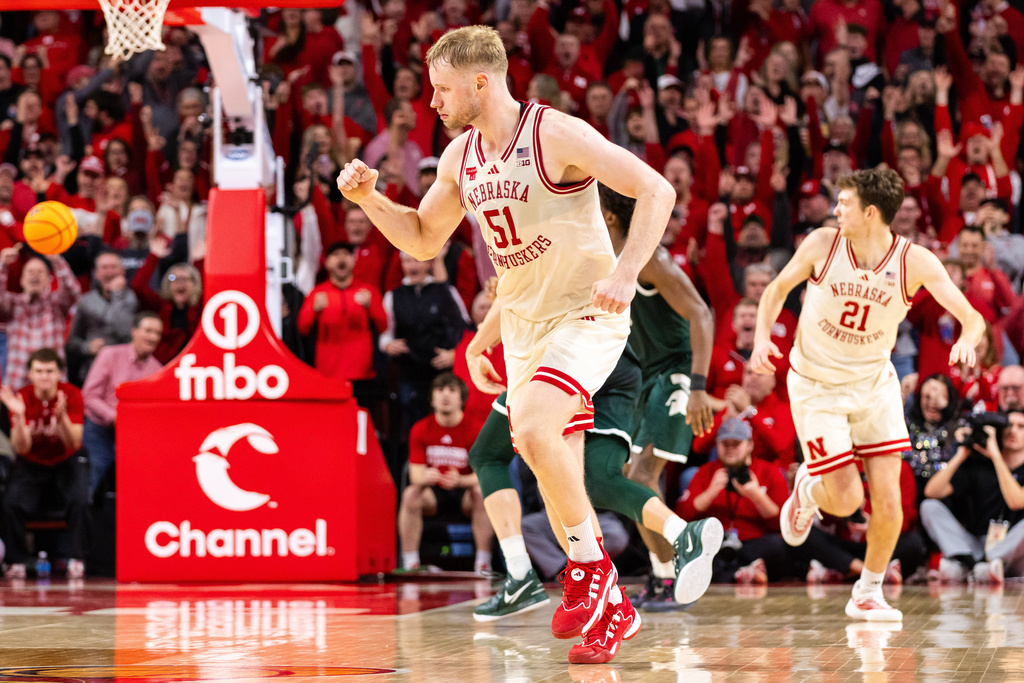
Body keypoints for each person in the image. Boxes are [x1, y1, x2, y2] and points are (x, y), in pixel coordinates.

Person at [337, 25, 675, 656]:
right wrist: (369, 199)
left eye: (441, 89)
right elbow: (420, 238)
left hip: (586, 312)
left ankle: (592, 574)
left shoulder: (554, 133)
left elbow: (657, 189)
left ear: (480, 83)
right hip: (522, 324)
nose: (432, 102)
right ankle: (615, 607)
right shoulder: (461, 158)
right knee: (543, 453)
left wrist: (627, 272)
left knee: (540, 428)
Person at [751, 167, 985, 621]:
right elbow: (778, 288)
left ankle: (868, 592)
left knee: (890, 499)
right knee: (846, 502)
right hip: (817, 384)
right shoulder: (823, 242)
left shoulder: (913, 261)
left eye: (844, 203)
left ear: (871, 212)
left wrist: (965, 339)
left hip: (873, 384)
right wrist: (763, 339)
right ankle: (809, 488)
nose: (835, 209)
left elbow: (971, 315)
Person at [598, 184, 718, 611]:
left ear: (609, 216)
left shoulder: (651, 258)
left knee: (642, 474)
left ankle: (684, 554)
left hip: (676, 370)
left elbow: (702, 313)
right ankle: (664, 575)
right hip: (644, 374)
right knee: (629, 476)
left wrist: (699, 386)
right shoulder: (605, 258)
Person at [0, 348, 87, 579]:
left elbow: (74, 442)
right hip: (32, 461)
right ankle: (15, 561)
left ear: (60, 373)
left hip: (65, 459)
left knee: (80, 499)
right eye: (39, 371)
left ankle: (76, 559)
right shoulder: (22, 397)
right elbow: (22, 448)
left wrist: (61, 419)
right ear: (30, 373)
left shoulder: (72, 394)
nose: (44, 376)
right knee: (10, 503)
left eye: (50, 371)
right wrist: (18, 417)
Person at [677, 417, 791, 584]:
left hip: (754, 542)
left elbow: (782, 524)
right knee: (694, 550)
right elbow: (682, 516)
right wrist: (710, 493)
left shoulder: (768, 472)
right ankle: (743, 572)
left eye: (736, 444)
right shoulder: (706, 472)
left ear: (749, 445)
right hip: (717, 545)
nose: (730, 449)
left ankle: (735, 573)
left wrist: (757, 496)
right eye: (725, 444)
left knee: (777, 546)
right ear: (717, 445)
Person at [397, 373, 491, 574]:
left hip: (463, 492)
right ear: (432, 399)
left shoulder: (476, 429)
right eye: (440, 390)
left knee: (482, 494)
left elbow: (484, 474)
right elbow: (415, 475)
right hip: (434, 493)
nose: (445, 395)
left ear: (462, 398)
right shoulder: (421, 428)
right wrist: (427, 477)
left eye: (451, 390)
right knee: (411, 494)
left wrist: (461, 480)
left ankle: (484, 563)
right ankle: (411, 562)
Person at [921, 410, 1024, 583]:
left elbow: (1016, 501)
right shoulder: (979, 464)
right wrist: (961, 454)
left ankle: (972, 566)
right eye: (1008, 425)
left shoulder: (998, 459)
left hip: (1012, 550)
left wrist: (996, 456)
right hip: (976, 544)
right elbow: (932, 492)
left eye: (1021, 426)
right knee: (928, 507)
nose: (1013, 431)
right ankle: (972, 564)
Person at [80, 312, 163, 497]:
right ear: (134, 331)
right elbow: (89, 395)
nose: (153, 337)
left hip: (134, 435)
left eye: (157, 333)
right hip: (100, 429)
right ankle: (92, 516)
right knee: (100, 467)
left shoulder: (158, 370)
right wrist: (114, 417)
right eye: (148, 331)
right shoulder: (110, 355)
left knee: (140, 474)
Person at [296, 241, 387, 401]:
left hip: (361, 372)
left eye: (346, 254)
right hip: (328, 371)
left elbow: (383, 325)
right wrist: (314, 309)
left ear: (354, 260)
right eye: (336, 255)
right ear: (327, 262)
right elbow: (302, 328)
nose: (341, 259)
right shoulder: (317, 294)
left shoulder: (368, 292)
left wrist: (371, 306)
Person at [0, 246, 81, 390]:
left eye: (40, 272)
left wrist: (57, 261)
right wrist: (2, 265)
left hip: (53, 387)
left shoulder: (56, 304)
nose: (35, 275)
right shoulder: (12, 305)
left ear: (49, 280)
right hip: (17, 385)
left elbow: (73, 291)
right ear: (21, 281)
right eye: (30, 272)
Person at [66, 252, 138, 384]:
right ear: (97, 273)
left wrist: (117, 295)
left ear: (122, 271)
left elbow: (124, 331)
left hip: (124, 371)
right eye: (104, 268)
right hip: (93, 370)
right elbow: (72, 341)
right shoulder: (86, 301)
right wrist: (87, 347)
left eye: (113, 267)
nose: (109, 271)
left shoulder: (132, 299)